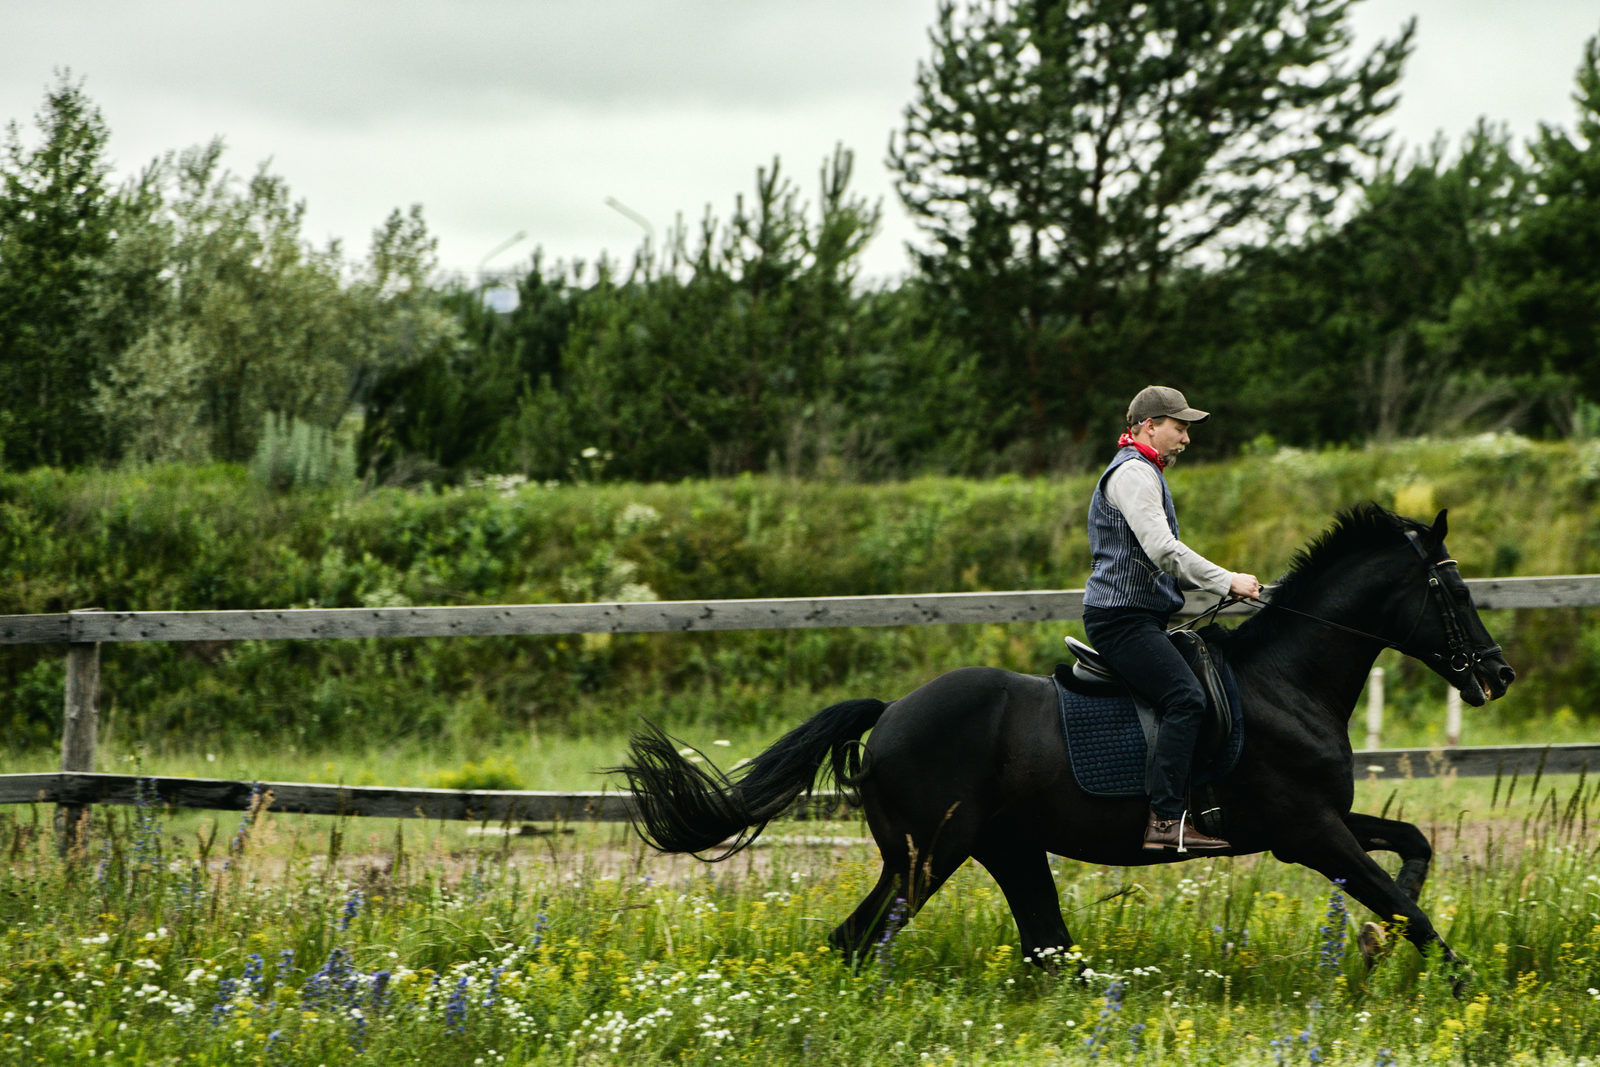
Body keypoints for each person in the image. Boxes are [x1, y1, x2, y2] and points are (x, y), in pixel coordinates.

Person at [1082, 385, 1262, 853]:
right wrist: (1227, 581)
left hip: (1138, 617)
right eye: (1178, 428)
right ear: (1149, 427)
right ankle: (1164, 821)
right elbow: (1163, 551)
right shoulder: (1135, 475)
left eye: (1185, 430)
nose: (1185, 439)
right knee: (1185, 698)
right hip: (1122, 620)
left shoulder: (1143, 471)